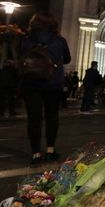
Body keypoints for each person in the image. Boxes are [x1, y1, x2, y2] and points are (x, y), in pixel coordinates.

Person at [20, 12, 71, 165]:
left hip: (31, 83)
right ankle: (50, 150)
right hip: (52, 83)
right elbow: (68, 59)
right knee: (51, 116)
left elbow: (21, 56)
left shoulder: (27, 40)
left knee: (34, 119)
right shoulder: (59, 41)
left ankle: (36, 154)